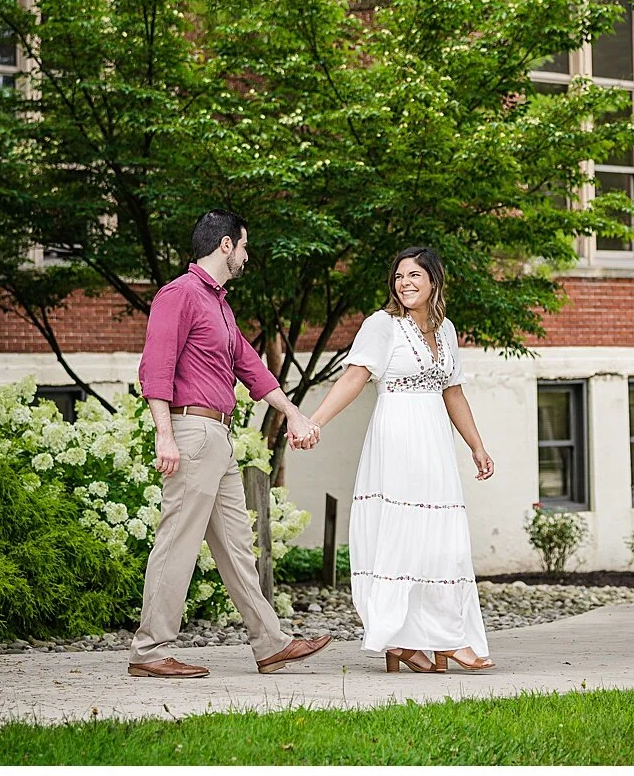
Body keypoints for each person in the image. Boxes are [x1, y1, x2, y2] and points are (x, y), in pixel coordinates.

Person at [128, 209, 330, 678]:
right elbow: (155, 369)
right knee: (178, 542)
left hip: (218, 437)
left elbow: (251, 368)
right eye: (243, 246)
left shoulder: (218, 303)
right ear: (224, 246)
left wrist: (294, 413)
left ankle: (270, 642)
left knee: (239, 547)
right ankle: (150, 651)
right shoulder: (178, 294)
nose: (246, 255)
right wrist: (165, 435)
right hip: (191, 431)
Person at [294, 246, 495, 673]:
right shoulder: (381, 325)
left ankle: (444, 636)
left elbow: (453, 391)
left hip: (435, 440)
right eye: (399, 276)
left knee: (440, 537)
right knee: (404, 533)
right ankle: (402, 637)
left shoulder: (447, 331)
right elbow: (355, 377)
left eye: (414, 275)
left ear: (434, 281)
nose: (404, 282)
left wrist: (477, 445)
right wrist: (314, 422)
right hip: (397, 435)